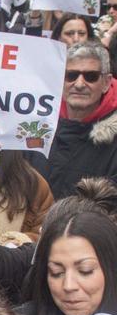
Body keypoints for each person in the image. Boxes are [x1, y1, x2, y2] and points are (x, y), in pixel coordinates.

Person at [48, 41, 117, 199]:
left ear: (106, 83)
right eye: (71, 75)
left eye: (90, 77)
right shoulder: (37, 126)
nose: (79, 84)